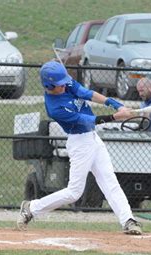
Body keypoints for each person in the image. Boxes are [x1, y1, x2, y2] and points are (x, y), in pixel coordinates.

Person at [17, 61, 142, 235]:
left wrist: (116, 105)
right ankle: (32, 207)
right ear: (49, 85)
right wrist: (115, 117)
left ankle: (128, 220)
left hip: (93, 139)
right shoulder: (54, 108)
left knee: (109, 181)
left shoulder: (65, 83)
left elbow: (87, 93)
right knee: (74, 193)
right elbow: (86, 120)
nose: (64, 86)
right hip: (79, 142)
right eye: (59, 84)